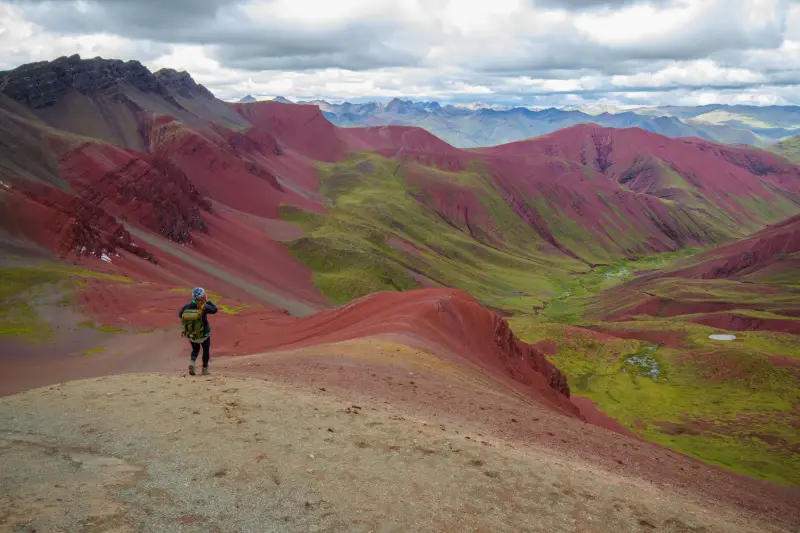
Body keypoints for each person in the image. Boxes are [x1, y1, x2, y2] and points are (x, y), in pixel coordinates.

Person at [179, 287, 218, 375]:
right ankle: (204, 369)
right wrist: (207, 301)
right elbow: (215, 309)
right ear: (203, 296)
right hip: (204, 335)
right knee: (205, 349)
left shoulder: (186, 307)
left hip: (191, 335)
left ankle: (192, 362)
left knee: (195, 349)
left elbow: (180, 315)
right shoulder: (204, 307)